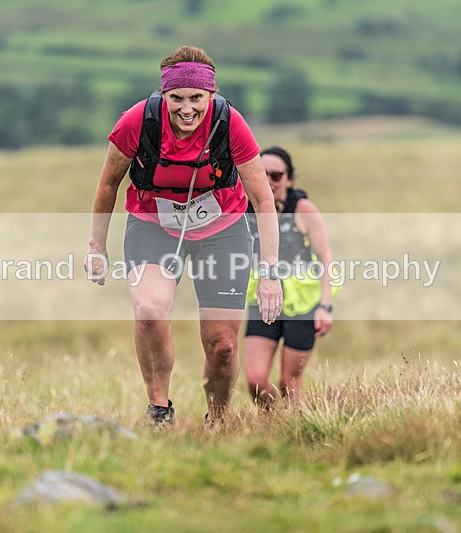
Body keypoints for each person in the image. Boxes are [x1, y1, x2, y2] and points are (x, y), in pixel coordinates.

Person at [84, 45, 283, 428]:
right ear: (164, 95)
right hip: (153, 224)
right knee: (149, 310)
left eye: (196, 98)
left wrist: (270, 272)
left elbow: (262, 198)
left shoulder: (230, 123)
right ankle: (160, 410)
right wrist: (96, 247)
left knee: (223, 346)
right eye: (177, 98)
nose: (187, 108)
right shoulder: (137, 122)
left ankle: (218, 420)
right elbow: (108, 183)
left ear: (212, 95)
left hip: (223, 229)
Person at [244, 146, 335, 408]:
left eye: (276, 175)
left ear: (289, 179)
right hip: (264, 300)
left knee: (289, 383)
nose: (270, 181)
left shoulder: (303, 209)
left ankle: (298, 429)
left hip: (302, 306)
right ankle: (274, 423)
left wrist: (325, 307)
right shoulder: (248, 209)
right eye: (263, 174)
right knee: (255, 380)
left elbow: (326, 260)